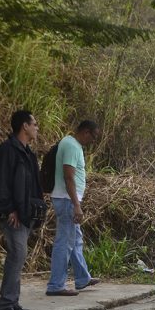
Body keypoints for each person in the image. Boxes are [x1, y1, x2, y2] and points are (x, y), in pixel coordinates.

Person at [0, 110, 44, 310]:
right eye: (35, 124)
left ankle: (12, 302)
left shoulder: (27, 153)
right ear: (24, 126)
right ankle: (4, 305)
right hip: (13, 215)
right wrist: (8, 210)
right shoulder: (7, 151)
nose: (37, 128)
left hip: (25, 214)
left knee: (19, 257)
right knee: (17, 255)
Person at [46, 120, 102, 296]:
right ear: (85, 132)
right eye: (93, 137)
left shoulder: (72, 144)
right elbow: (68, 177)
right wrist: (76, 205)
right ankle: (56, 285)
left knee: (76, 239)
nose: (93, 141)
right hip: (67, 200)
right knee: (64, 242)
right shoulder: (71, 145)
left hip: (68, 199)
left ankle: (82, 278)